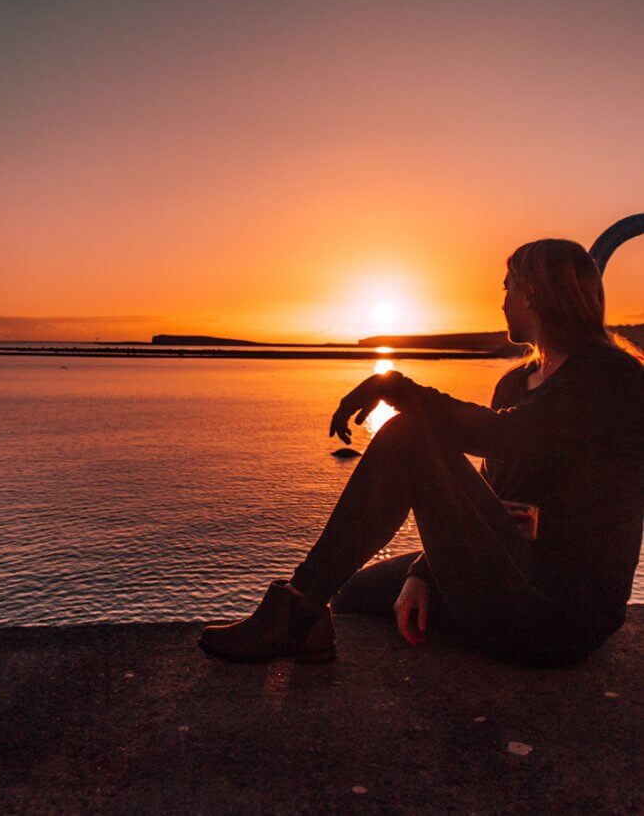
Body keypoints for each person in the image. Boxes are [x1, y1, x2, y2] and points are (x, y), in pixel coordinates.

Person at [199, 239, 643, 666]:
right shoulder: (514, 383)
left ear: (536, 294)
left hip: (561, 614)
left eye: (508, 286)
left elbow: (508, 435)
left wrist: (396, 388)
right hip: (509, 571)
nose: (502, 300)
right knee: (354, 595)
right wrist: (424, 573)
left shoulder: (613, 380)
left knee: (410, 436)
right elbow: (492, 496)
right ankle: (309, 614)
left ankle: (294, 611)